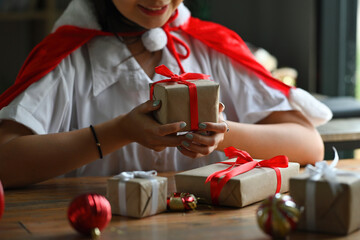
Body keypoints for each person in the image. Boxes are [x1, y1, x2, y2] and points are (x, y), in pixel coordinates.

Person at [0, 0, 331, 189]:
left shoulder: (209, 48)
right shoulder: (68, 60)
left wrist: (222, 132)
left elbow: (308, 144)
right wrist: (120, 132)